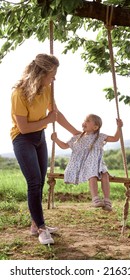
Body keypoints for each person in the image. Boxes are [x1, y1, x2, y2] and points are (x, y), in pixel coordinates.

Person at [10, 53, 80, 245]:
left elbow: (56, 115)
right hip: (23, 139)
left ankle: (35, 225)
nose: (54, 78)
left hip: (40, 138)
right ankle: (41, 228)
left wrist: (77, 133)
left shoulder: (47, 89)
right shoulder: (19, 94)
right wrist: (47, 120)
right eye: (52, 74)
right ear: (41, 73)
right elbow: (23, 128)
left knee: (40, 182)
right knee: (34, 182)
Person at [51, 114, 123, 211]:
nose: (84, 122)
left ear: (95, 127)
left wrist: (119, 127)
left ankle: (107, 200)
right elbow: (64, 146)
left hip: (97, 163)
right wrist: (56, 139)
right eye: (84, 120)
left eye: (88, 121)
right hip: (84, 165)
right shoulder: (78, 138)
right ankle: (95, 199)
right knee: (92, 175)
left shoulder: (100, 137)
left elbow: (115, 138)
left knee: (105, 175)